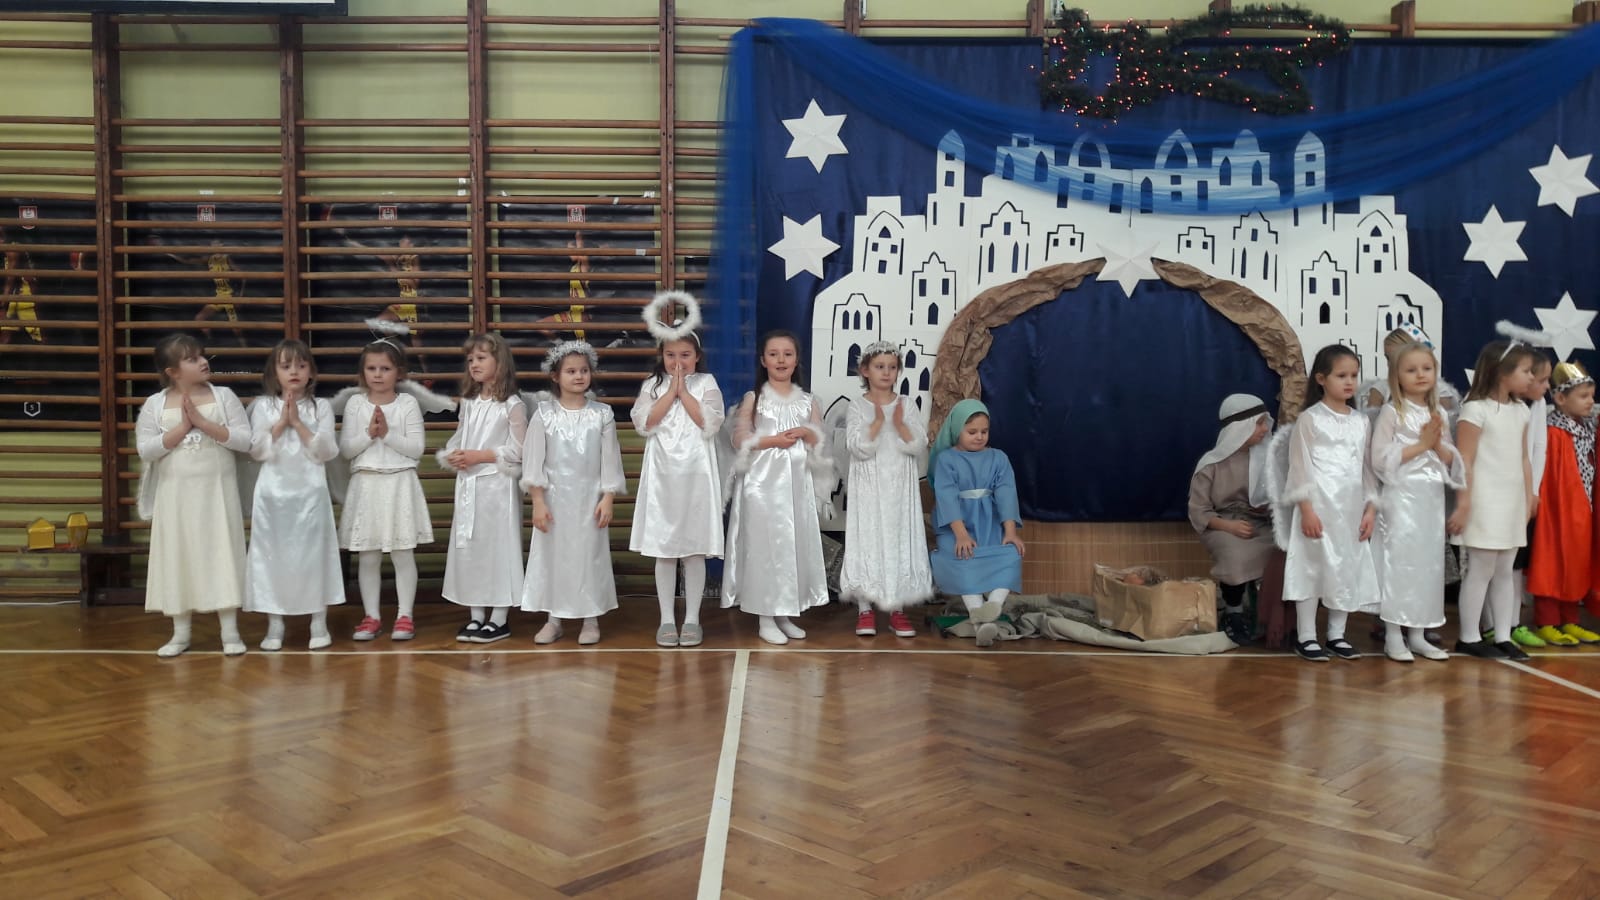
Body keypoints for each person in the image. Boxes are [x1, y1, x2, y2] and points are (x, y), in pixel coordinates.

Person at [135, 333, 252, 657]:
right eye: (192, 359)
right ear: (172, 371)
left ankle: (230, 632)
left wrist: (202, 422)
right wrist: (181, 428)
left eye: (202, 355)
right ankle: (181, 633)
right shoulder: (155, 404)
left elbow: (245, 440)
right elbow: (146, 449)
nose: (203, 362)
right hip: (175, 497)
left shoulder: (223, 396)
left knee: (222, 553)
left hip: (217, 494)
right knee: (179, 556)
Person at [722, 330, 835, 646]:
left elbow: (820, 442)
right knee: (765, 547)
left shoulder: (809, 401)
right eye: (773, 354)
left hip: (795, 486)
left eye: (788, 354)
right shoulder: (754, 398)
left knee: (790, 546)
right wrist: (772, 440)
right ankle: (765, 617)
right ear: (763, 360)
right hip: (761, 485)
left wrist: (807, 433)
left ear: (796, 360)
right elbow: (739, 439)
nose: (781, 360)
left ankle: (784, 611)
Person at [1271, 345, 1380, 662]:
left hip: (1350, 510)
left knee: (1345, 567)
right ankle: (1306, 636)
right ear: (1321, 379)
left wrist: (1371, 509)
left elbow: (1368, 469)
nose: (1349, 382)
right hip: (1318, 508)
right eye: (1341, 375)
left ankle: (1337, 635)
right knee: (1312, 568)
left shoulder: (1361, 422)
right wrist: (1306, 510)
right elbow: (1300, 467)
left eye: (1354, 376)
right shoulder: (1310, 419)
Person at [629, 291, 724, 648]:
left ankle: (693, 618)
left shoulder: (707, 383)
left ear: (697, 356)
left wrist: (685, 393)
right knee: (665, 549)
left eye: (685, 355)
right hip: (662, 477)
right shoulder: (651, 386)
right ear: (662, 356)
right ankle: (667, 618)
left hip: (697, 476)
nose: (678, 362)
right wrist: (671, 391)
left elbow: (709, 423)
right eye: (671, 355)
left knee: (694, 549)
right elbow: (645, 423)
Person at [520, 341, 626, 644]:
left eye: (583, 370)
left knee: (589, 557)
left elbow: (610, 459)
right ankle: (554, 619)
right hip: (554, 501)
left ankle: (590, 618)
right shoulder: (544, 414)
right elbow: (533, 461)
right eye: (571, 371)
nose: (579, 376)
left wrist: (608, 497)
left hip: (589, 500)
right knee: (553, 557)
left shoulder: (602, 414)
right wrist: (538, 502)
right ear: (556, 376)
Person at [244, 340, 344, 651]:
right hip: (272, 496)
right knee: (271, 558)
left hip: (310, 494)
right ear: (274, 373)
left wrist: (298, 422)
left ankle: (318, 622)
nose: (294, 372)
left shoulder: (321, 407)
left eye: (301, 365)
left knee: (314, 556)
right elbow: (256, 450)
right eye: (286, 366)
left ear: (311, 371)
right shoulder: (263, 406)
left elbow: (326, 451)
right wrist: (281, 424)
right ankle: (275, 624)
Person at [1370, 341, 1463, 661]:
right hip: (1401, 498)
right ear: (1397, 376)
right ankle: (1393, 634)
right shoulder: (1391, 412)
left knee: (1427, 566)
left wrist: (1436, 445)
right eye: (1411, 370)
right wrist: (1422, 444)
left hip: (1430, 499)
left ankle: (1419, 634)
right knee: (1400, 564)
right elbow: (1379, 459)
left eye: (1427, 368)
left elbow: (1451, 458)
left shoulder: (1439, 413)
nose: (1421, 375)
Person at [338, 338, 436, 641]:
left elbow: (416, 449)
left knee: (402, 553)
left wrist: (387, 434)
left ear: (399, 372)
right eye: (372, 368)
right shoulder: (355, 404)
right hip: (366, 483)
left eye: (385, 368)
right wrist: (370, 433)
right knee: (367, 555)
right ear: (363, 372)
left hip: (399, 482)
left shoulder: (407, 404)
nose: (378, 374)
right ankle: (372, 616)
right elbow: (346, 449)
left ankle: (405, 615)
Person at [1449, 339, 1539, 660]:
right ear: (1502, 372)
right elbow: (1465, 460)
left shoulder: (1521, 411)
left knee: (1504, 570)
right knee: (1481, 570)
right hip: (1484, 502)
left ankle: (1503, 635)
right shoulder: (1475, 409)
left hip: (1511, 501)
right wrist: (1463, 503)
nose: (1531, 377)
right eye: (1526, 371)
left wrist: (1527, 497)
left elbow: (1524, 458)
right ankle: (1469, 636)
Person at [841, 341, 934, 638]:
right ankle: (865, 609)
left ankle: (897, 610)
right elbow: (857, 447)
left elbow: (918, 445)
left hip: (899, 490)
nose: (886, 372)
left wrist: (900, 425)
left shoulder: (906, 404)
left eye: (892, 367)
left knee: (899, 541)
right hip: (869, 489)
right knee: (868, 541)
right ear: (865, 370)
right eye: (879, 366)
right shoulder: (857, 406)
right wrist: (878, 423)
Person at [438, 333, 527, 644]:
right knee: (472, 549)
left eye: (480, 358)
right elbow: (460, 437)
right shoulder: (469, 403)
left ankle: (499, 617)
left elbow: (519, 450)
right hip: (469, 486)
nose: (473, 364)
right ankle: (476, 615)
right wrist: (454, 454)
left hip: (498, 489)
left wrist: (480, 456)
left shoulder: (512, 405)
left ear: (499, 362)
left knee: (498, 550)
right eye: (470, 360)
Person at [927, 399, 1025, 648]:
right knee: (962, 555)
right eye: (972, 432)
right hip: (956, 525)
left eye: (984, 431)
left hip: (990, 522)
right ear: (956, 430)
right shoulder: (947, 460)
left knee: (1011, 553)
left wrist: (1010, 531)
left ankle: (992, 607)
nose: (979, 436)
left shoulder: (998, 458)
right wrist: (961, 534)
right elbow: (947, 497)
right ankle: (978, 615)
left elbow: (1006, 493)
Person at [1188, 394, 1276, 645]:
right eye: (1258, 423)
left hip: (1261, 523)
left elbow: (1279, 498)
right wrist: (1229, 526)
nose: (1265, 429)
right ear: (1240, 427)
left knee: (1284, 548)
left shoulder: (1268, 458)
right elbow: (1199, 511)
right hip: (1222, 524)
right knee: (1235, 553)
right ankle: (1233, 612)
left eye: (1265, 422)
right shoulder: (1211, 464)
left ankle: (1269, 615)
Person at [1526, 361, 1600, 646]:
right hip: (1558, 510)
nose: (1591, 401)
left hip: (1582, 506)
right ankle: (1547, 620)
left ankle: (1570, 619)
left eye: (1592, 396)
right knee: (1552, 560)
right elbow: (1552, 477)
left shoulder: (1586, 428)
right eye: (1583, 396)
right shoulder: (1555, 432)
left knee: (1577, 562)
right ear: (1559, 398)